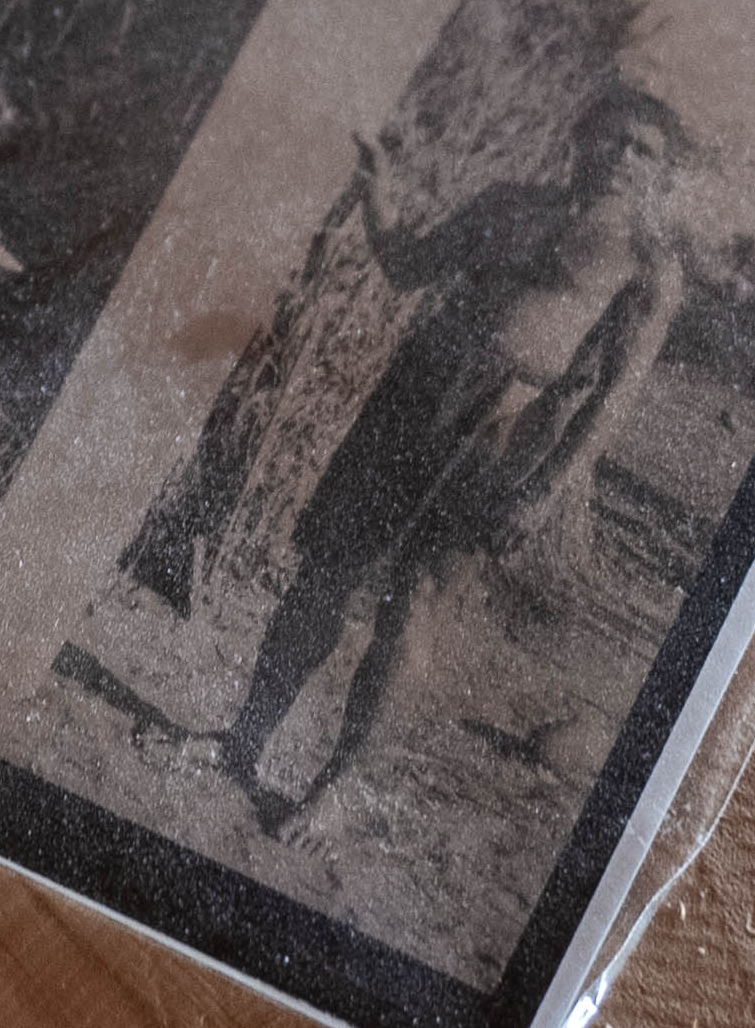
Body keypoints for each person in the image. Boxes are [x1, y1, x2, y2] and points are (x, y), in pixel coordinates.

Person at [221, 88, 689, 839]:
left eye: (644, 151)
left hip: (508, 431)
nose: (623, 158)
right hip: (416, 395)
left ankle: (336, 788)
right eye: (613, 137)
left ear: (659, 175)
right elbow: (406, 264)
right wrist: (378, 192)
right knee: (325, 571)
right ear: (582, 137)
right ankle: (240, 742)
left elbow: (610, 402)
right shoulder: (510, 203)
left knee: (412, 608)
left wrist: (540, 493)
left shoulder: (649, 269)